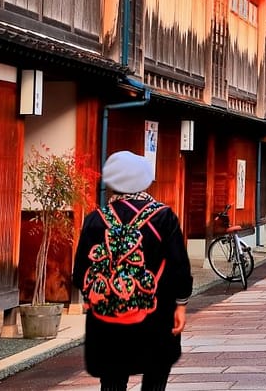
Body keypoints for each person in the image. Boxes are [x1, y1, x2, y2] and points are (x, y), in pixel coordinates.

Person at [72, 151, 193, 391]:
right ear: (145, 179)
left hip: (108, 315)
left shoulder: (95, 219)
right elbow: (179, 266)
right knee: (156, 373)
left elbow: (79, 273)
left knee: (112, 378)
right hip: (155, 312)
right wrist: (180, 304)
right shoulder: (163, 217)